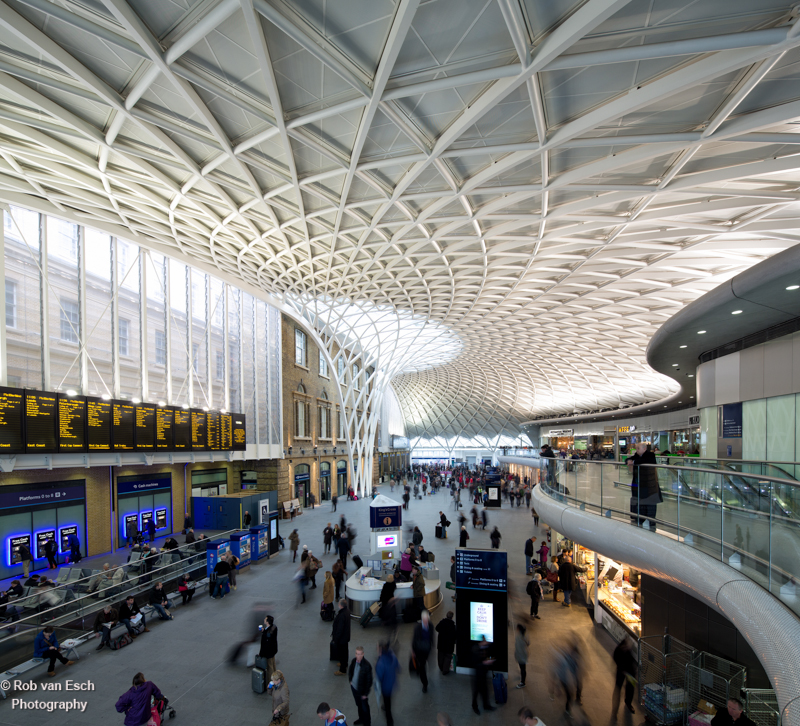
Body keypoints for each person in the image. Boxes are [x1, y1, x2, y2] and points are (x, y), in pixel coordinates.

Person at [627, 441, 662, 530]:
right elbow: (629, 459)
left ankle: (650, 520)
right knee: (639, 499)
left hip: (649, 484)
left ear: (644, 449)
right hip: (639, 483)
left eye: (638, 448)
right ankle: (640, 517)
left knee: (649, 501)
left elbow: (646, 461)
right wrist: (629, 460)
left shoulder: (650, 455)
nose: (636, 450)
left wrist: (634, 462)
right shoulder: (637, 455)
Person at [375, 641, 400, 726]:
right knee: (388, 699)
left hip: (385, 687)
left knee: (387, 702)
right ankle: (386, 706)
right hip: (393, 683)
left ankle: (390, 721)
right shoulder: (392, 656)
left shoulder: (381, 662)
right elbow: (398, 668)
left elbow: (379, 676)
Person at [611, 637, 637, 718]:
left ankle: (628, 703)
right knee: (618, 689)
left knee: (630, 688)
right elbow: (616, 659)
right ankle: (615, 710)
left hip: (630, 672)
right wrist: (622, 670)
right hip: (621, 671)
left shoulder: (627, 651)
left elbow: (631, 662)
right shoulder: (619, 650)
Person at [348, 646, 373, 726]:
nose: (357, 656)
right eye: (356, 653)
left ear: (363, 654)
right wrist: (350, 681)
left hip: (362, 692)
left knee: (365, 708)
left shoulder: (367, 666)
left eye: (359, 654)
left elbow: (369, 681)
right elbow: (350, 671)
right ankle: (361, 719)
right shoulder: (353, 661)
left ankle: (367, 723)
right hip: (354, 688)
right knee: (358, 705)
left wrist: (365, 694)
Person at [471, 637, 495, 715]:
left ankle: (486, 705)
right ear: (482, 641)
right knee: (476, 692)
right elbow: (475, 663)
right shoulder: (475, 649)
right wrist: (485, 663)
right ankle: (475, 706)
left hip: (483, 673)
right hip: (477, 675)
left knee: (485, 690)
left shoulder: (484, 648)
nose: (487, 642)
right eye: (485, 641)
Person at [332, 598, 351, 676]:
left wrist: (336, 638)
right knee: (345, 651)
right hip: (345, 636)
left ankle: (342, 670)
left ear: (341, 605)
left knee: (341, 652)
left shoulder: (342, 615)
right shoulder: (347, 611)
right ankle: (345, 663)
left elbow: (340, 628)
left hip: (341, 638)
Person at [435, 611, 456, 675]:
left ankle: (441, 667)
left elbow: (437, 628)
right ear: (452, 617)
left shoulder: (442, 622)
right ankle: (445, 670)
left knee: (440, 656)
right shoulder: (453, 626)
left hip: (441, 643)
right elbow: (455, 635)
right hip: (449, 645)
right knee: (447, 657)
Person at [260, 615, 278, 680]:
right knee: (273, 664)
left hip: (268, 652)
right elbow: (269, 633)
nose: (264, 619)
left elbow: (264, 644)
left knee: (270, 667)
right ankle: (276, 677)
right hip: (273, 649)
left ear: (267, 622)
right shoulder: (274, 627)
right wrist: (264, 630)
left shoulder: (267, 634)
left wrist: (261, 653)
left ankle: (271, 681)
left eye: (265, 619)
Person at [514, 623, 529, 689]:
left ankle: (523, 682)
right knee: (523, 668)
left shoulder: (518, 637)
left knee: (523, 669)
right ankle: (523, 678)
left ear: (518, 629)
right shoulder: (525, 636)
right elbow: (528, 643)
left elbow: (517, 647)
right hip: (524, 654)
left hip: (521, 655)